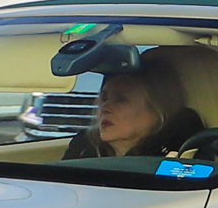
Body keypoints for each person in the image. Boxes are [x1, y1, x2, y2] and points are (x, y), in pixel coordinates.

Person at [64, 57, 202, 160]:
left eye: (121, 100)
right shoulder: (83, 148)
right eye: (104, 98)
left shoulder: (175, 157)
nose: (104, 108)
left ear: (156, 111)